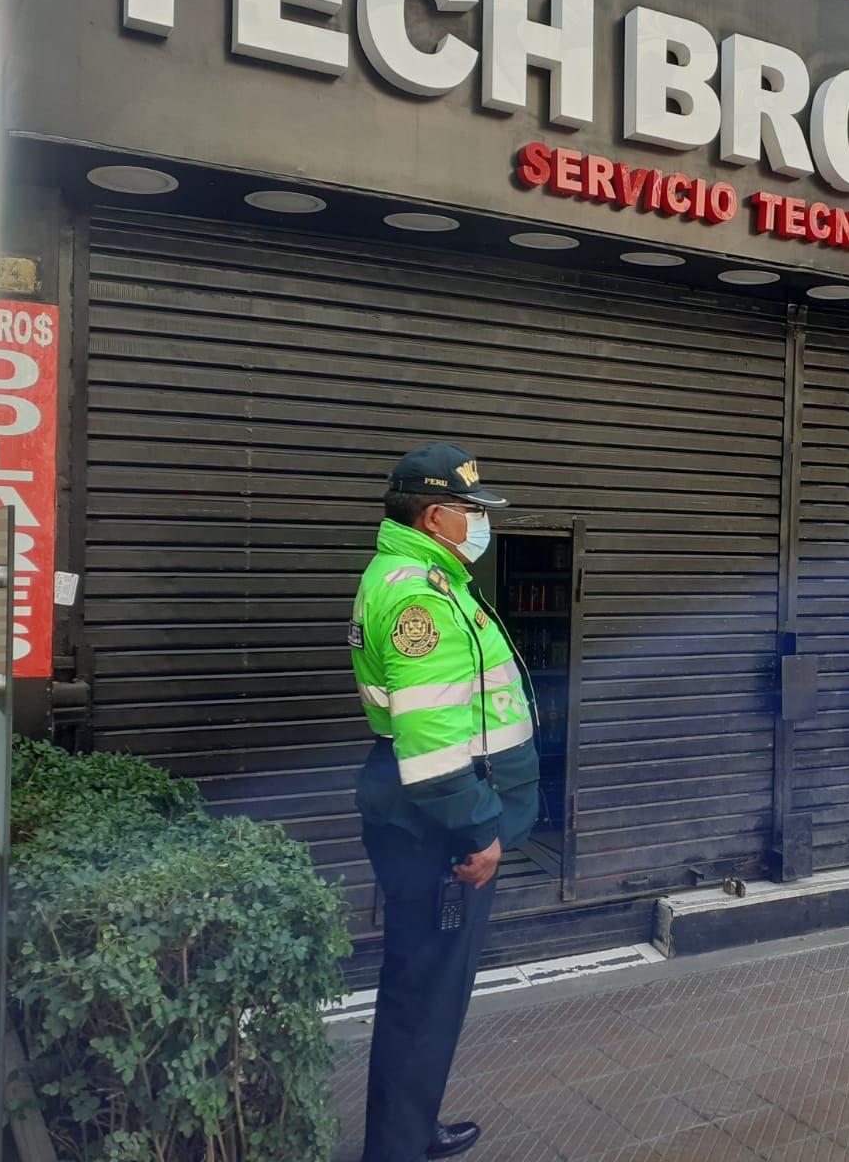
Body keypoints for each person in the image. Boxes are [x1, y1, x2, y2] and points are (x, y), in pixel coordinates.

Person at [348, 443, 540, 1162]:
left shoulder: (426, 578)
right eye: (472, 510)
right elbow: (431, 745)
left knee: (424, 988)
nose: (481, 522)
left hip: (427, 819)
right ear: (434, 517)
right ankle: (397, 1148)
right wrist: (478, 831)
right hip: (438, 829)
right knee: (424, 993)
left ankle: (408, 1129)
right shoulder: (419, 596)